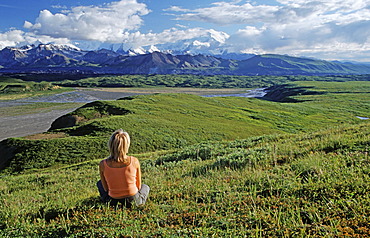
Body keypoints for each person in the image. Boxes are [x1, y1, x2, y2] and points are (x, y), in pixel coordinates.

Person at [97, 129, 150, 208]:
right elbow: (138, 187)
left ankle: (109, 203)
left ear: (110, 145)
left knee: (99, 183)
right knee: (145, 187)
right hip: (132, 199)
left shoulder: (103, 164)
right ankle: (139, 203)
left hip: (113, 199)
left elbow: (106, 188)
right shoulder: (134, 161)